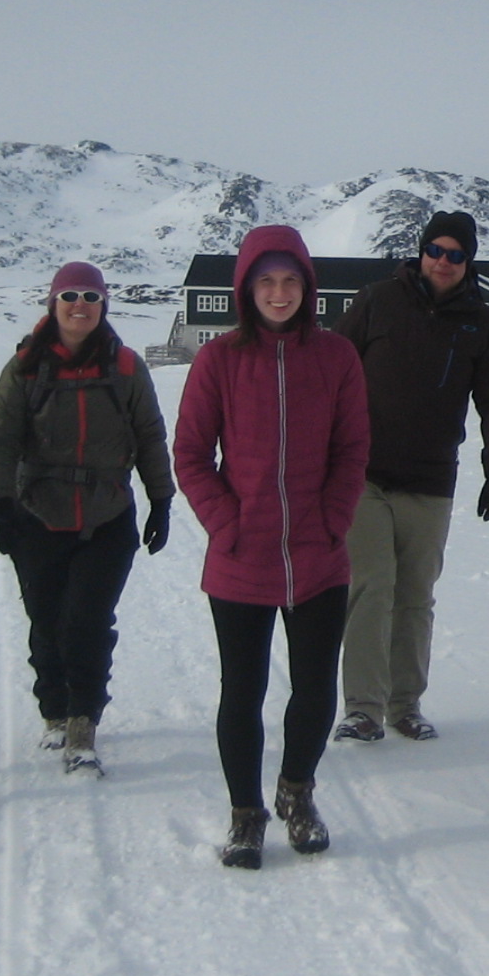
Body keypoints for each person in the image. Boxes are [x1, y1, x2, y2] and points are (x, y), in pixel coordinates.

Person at [173, 225, 370, 868]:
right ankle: (244, 813)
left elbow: (352, 449)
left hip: (319, 553)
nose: (279, 293)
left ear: (306, 287)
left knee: (315, 690)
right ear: (247, 289)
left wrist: (334, 520)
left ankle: (295, 792)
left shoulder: (336, 358)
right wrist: (227, 526)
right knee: (243, 690)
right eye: (267, 281)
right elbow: (191, 455)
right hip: (241, 557)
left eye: (290, 281)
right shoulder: (219, 360)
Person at [329, 211, 489, 745]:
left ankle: (404, 703)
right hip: (362, 474)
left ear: (468, 262)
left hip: (432, 479)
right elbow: (332, 370)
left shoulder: (478, 322)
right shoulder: (377, 300)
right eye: (435, 250)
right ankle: (363, 708)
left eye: (455, 254)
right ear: (420, 252)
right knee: (372, 586)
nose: (443, 261)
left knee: (415, 594)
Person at [0, 260, 174, 777]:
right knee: (46, 619)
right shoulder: (24, 367)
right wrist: (0, 503)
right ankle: (54, 711)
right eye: (70, 296)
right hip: (36, 515)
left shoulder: (127, 367)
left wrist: (161, 500)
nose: (80, 305)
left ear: (104, 304)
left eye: (90, 296)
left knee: (86, 621)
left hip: (108, 516)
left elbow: (151, 434)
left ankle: (83, 721)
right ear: (53, 303)